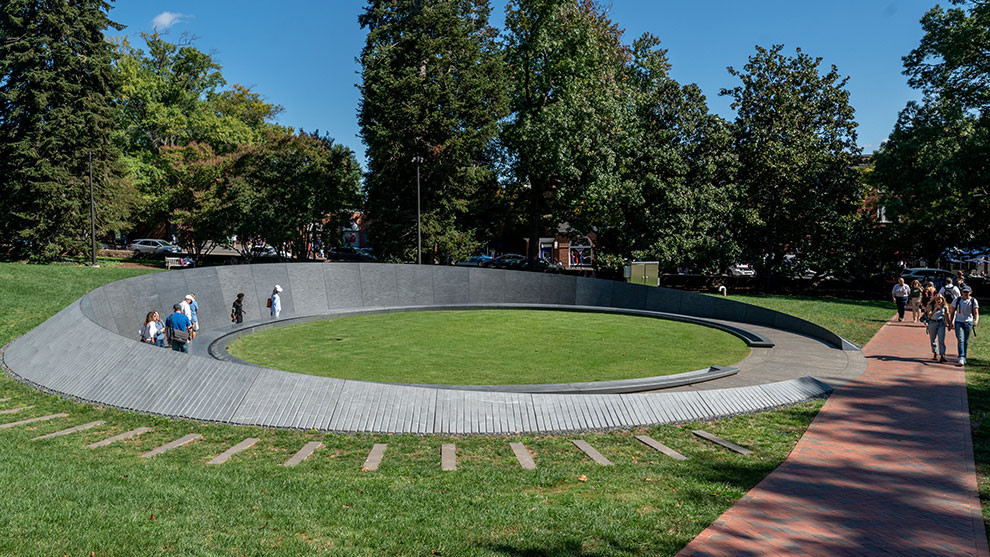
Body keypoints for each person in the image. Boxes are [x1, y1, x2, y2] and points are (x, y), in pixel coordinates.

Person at [949, 285, 980, 366]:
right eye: (964, 292)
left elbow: (976, 312)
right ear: (961, 292)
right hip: (959, 322)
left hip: (968, 322)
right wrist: (950, 321)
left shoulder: (973, 301)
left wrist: (976, 321)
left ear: (970, 292)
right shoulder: (957, 300)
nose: (965, 294)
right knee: (960, 339)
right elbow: (952, 312)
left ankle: (964, 357)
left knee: (965, 341)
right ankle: (961, 357)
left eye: (967, 292)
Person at [926, 294, 950, 363]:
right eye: (937, 299)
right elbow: (929, 316)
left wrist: (949, 324)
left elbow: (947, 316)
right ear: (935, 300)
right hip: (932, 323)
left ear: (943, 300)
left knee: (941, 339)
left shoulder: (945, 307)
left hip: (941, 323)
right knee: (933, 339)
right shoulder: (931, 306)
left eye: (940, 299)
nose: (939, 300)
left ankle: (942, 355)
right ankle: (935, 353)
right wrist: (935, 311)